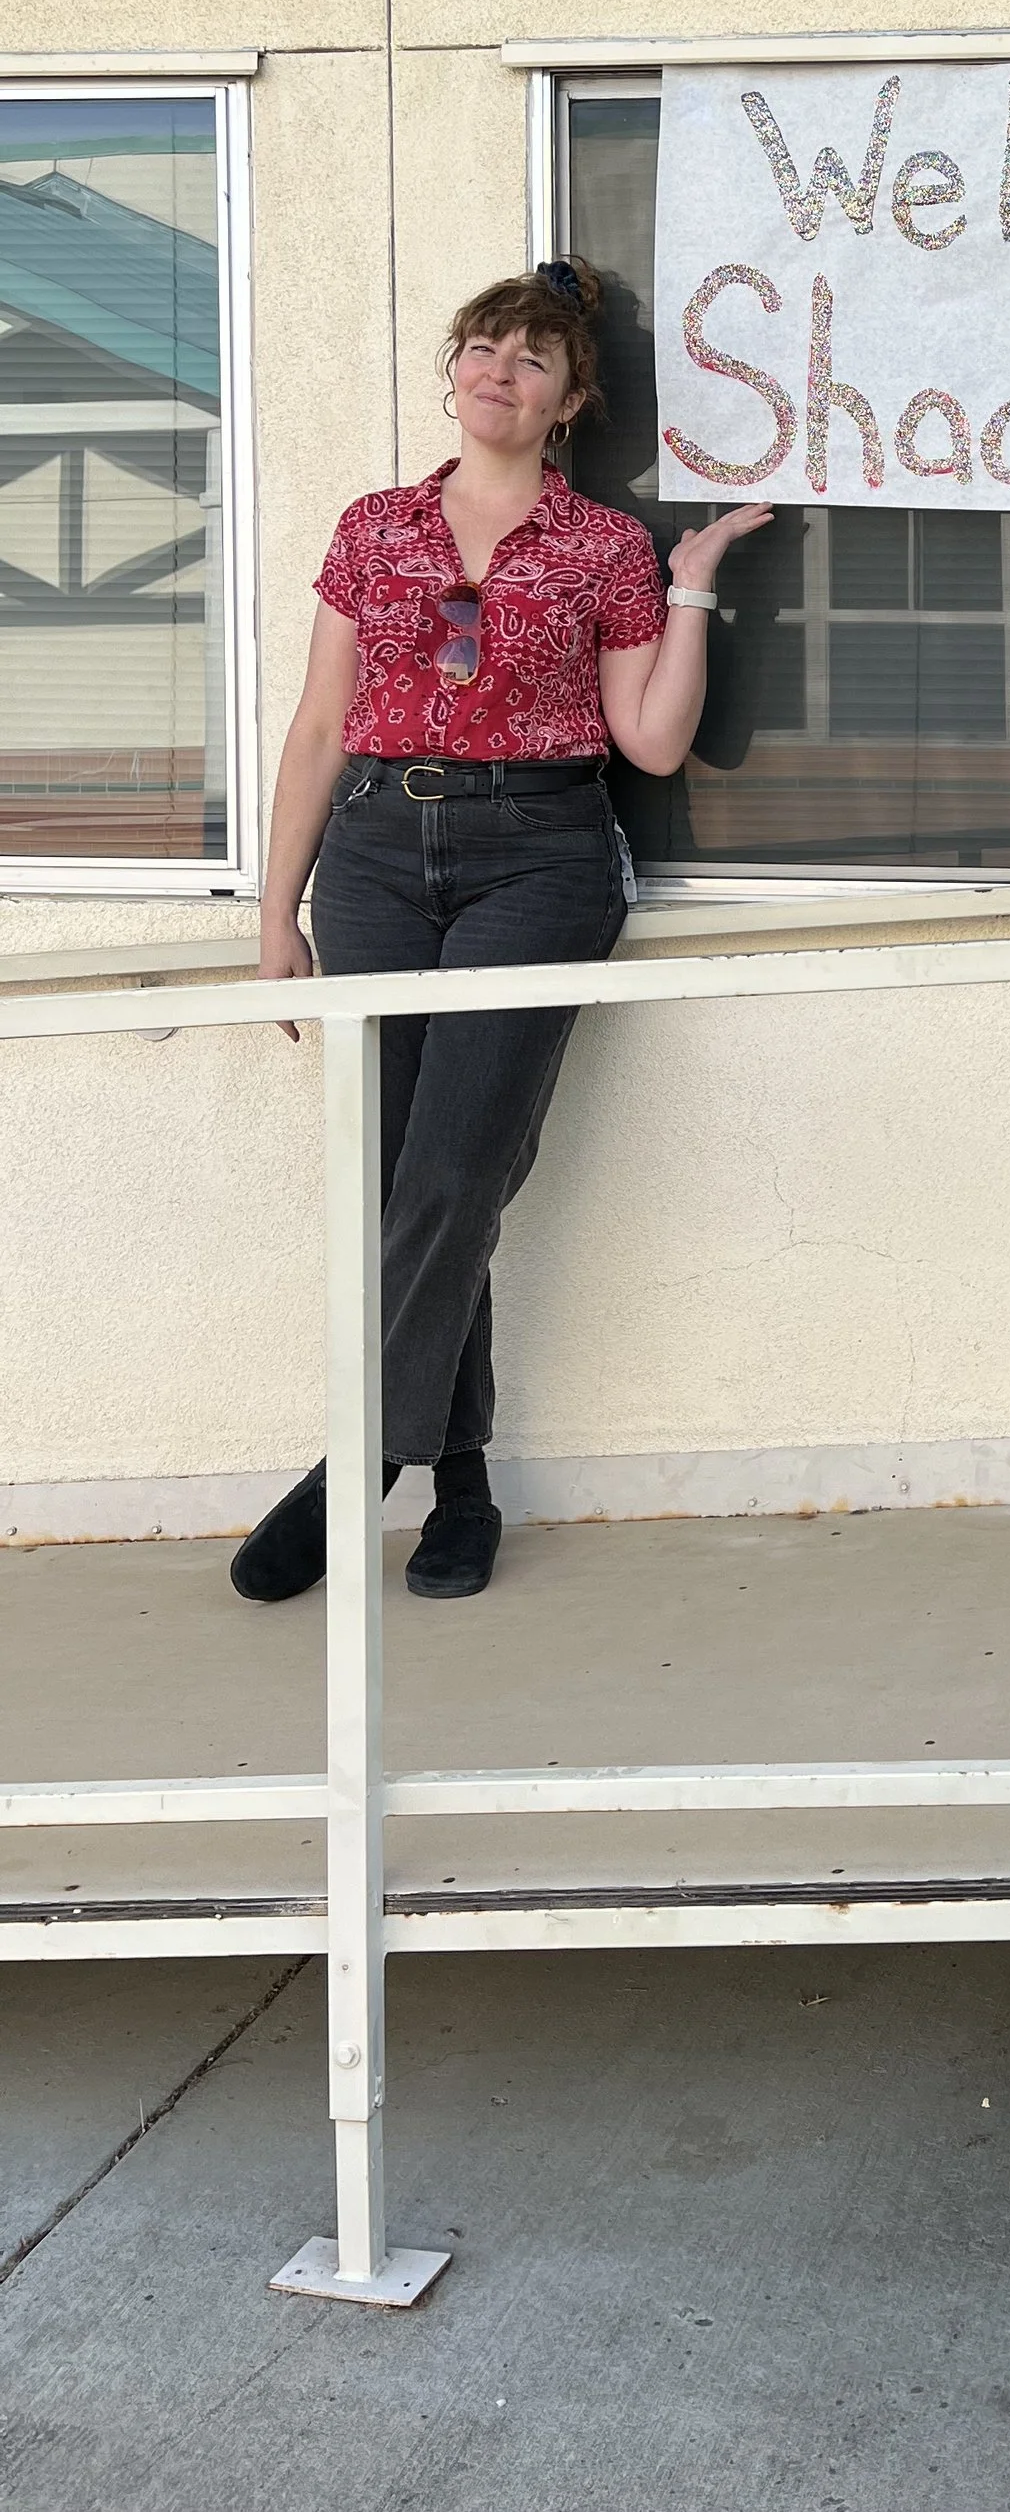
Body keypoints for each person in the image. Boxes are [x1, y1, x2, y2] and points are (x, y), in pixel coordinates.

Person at [233, 258, 771, 1604]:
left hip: (536, 857)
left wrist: (693, 580)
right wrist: (277, 910)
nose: (498, 371)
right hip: (367, 855)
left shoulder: (604, 550)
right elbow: (314, 728)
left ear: (569, 399)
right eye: (482, 346)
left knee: (457, 1173)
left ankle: (364, 1457)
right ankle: (458, 1485)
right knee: (397, 1182)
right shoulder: (374, 529)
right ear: (454, 366)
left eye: (532, 359)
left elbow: (649, 741)